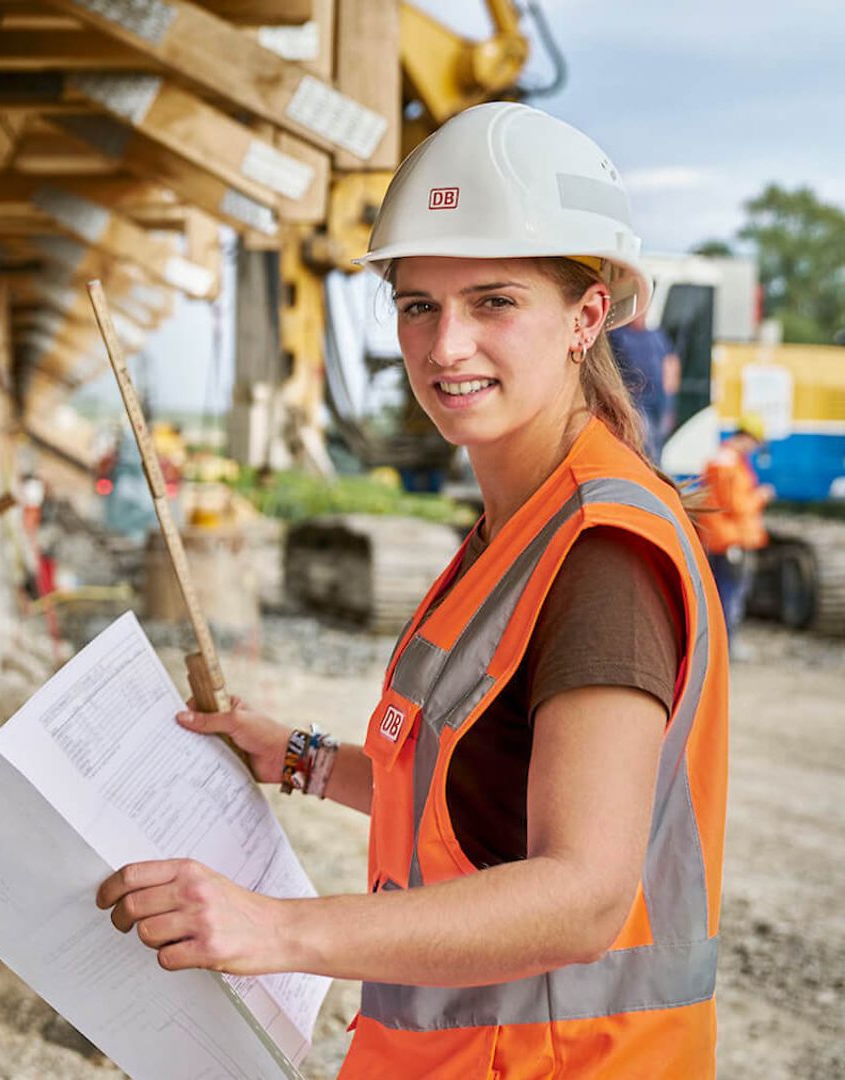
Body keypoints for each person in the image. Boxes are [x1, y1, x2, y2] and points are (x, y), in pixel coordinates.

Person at [95, 103, 728, 1076]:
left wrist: (279, 931)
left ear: (586, 316)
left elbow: (586, 894)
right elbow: (467, 790)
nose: (445, 347)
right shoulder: (517, 526)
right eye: (418, 305)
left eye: (494, 302)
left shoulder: (602, 555)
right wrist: (301, 758)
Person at [698, 415, 774, 654]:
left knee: (724, 591)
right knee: (730, 594)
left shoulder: (727, 460)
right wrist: (761, 496)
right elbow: (736, 506)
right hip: (731, 539)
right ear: (746, 438)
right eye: (755, 443)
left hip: (725, 538)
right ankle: (727, 647)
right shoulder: (728, 464)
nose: (754, 449)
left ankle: (721, 645)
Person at [607, 308, 680, 458]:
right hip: (636, 403)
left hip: (659, 402)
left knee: (657, 445)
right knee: (645, 445)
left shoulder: (658, 336)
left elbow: (671, 365)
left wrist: (669, 403)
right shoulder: (618, 335)